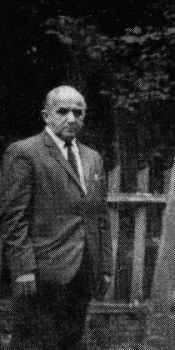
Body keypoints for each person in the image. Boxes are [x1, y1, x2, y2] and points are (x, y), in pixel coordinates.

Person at [0, 85, 113, 350]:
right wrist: (23, 269)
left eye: (79, 112)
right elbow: (13, 219)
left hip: (83, 270)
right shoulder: (25, 153)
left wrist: (105, 266)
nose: (72, 118)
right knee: (34, 343)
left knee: (72, 342)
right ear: (46, 115)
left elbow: (100, 217)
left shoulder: (92, 158)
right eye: (63, 111)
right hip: (41, 272)